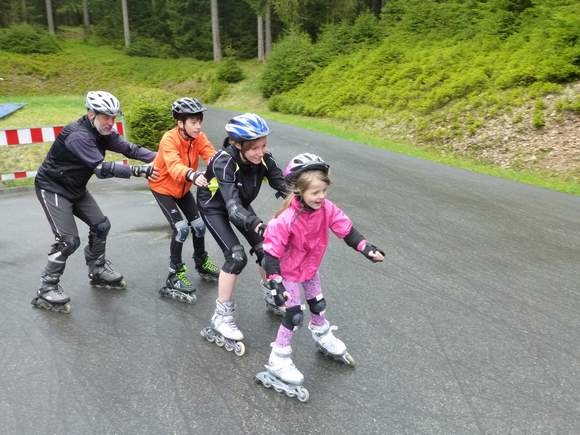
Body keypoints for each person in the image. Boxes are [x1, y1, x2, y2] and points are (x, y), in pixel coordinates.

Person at [255, 153, 385, 401]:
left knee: (318, 304)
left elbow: (345, 229)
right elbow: (269, 255)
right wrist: (276, 282)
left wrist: (367, 248)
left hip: (310, 269)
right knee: (293, 315)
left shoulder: (325, 208)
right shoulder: (285, 220)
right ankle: (278, 359)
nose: (322, 197)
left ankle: (322, 333)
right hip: (288, 274)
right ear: (298, 191)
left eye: (324, 190)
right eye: (315, 192)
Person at [32, 90, 159, 313]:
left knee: (101, 225)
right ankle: (46, 289)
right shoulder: (78, 136)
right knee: (68, 241)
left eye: (114, 117)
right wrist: (140, 171)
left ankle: (97, 270)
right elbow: (101, 169)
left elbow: (129, 149)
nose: (111, 122)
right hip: (53, 187)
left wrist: (160, 157)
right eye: (106, 117)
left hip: (75, 186)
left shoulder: (104, 131)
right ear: (92, 114)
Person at [197, 113, 287, 356]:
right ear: (238, 144)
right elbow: (233, 208)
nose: (261, 152)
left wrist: (306, 202)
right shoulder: (223, 162)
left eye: (264, 145)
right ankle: (221, 315)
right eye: (254, 148)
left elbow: (285, 187)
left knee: (267, 249)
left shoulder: (265, 160)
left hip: (241, 203)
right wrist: (258, 224)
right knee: (236, 257)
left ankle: (271, 292)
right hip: (214, 206)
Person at [148, 97, 220, 304]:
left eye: (199, 121)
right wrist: (194, 175)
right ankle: (174, 274)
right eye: (193, 122)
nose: (198, 126)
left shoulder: (198, 137)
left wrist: (225, 169)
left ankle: (201, 260)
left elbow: (212, 156)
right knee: (181, 229)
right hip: (163, 188)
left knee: (199, 226)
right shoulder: (169, 139)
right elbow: (173, 166)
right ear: (180, 123)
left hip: (183, 189)